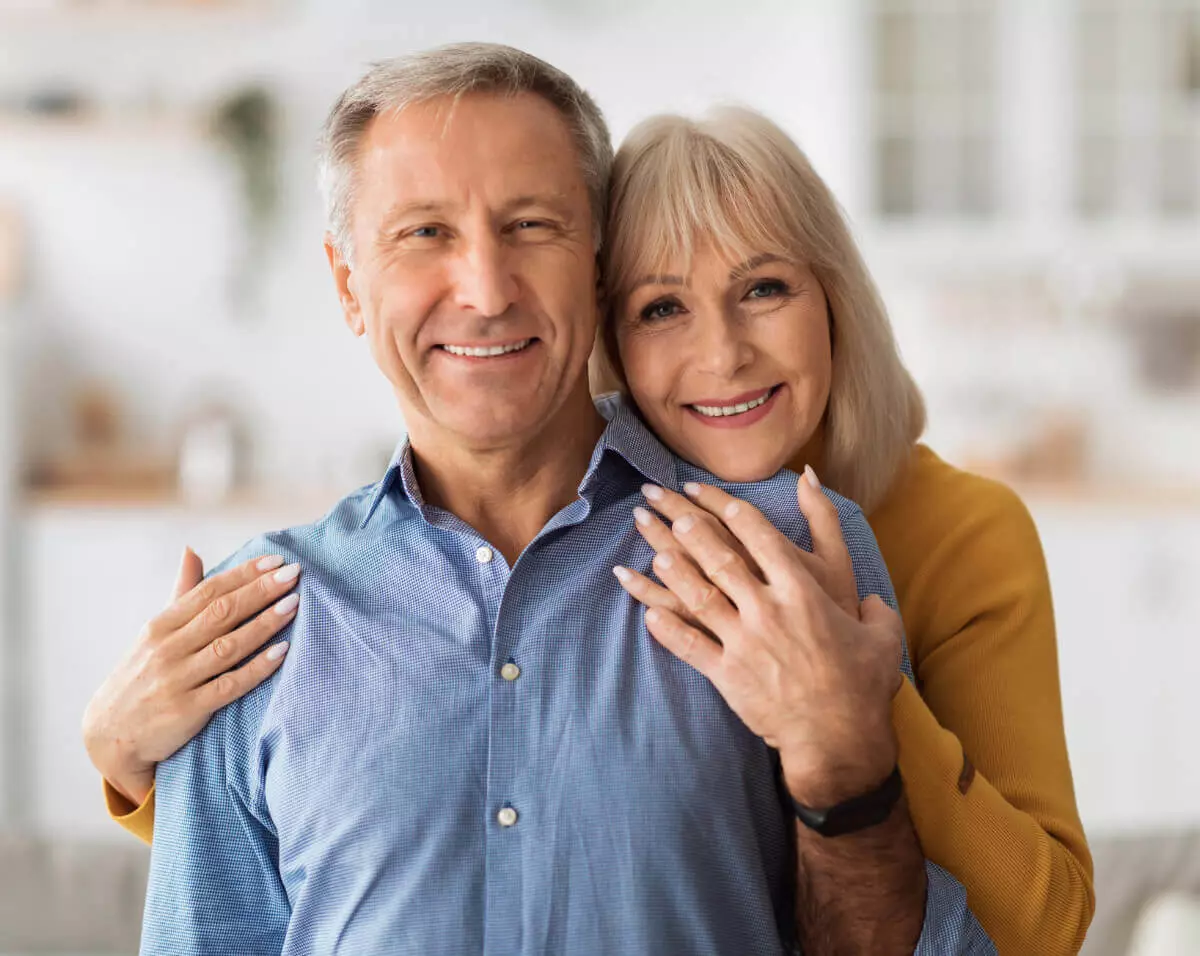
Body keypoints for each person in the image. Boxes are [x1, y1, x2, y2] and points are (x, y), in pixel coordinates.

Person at [105, 44, 991, 955]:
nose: (486, 292)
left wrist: (848, 770)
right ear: (348, 287)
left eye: (530, 225)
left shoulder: (785, 555)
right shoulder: (248, 628)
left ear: (597, 264)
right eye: (424, 233)